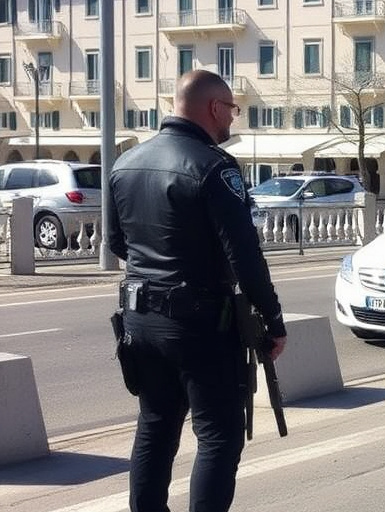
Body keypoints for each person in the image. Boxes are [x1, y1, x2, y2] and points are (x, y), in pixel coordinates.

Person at [108, 69, 288, 512]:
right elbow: (245, 255)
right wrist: (274, 320)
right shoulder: (213, 166)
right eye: (231, 109)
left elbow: (117, 243)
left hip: (139, 319)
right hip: (199, 323)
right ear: (213, 108)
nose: (233, 118)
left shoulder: (125, 163)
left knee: (155, 424)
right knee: (219, 436)